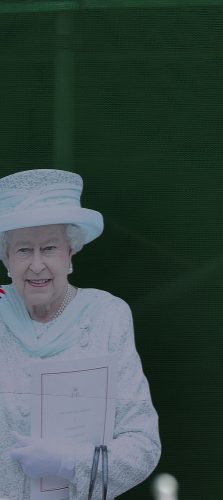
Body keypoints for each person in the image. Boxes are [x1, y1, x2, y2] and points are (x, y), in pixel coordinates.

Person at [0, 169, 161, 499]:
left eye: (49, 248)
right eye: (22, 250)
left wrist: (68, 462)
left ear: (70, 252)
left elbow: (143, 446)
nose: (36, 265)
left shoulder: (107, 315)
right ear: (5, 256)